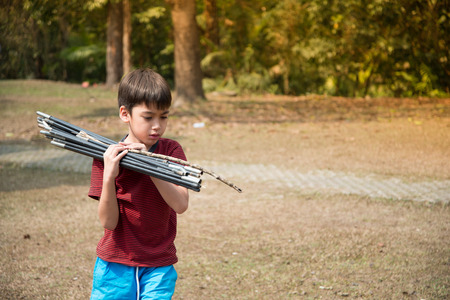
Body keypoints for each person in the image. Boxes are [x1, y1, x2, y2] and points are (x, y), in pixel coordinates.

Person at [88, 68, 189, 299]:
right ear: (125, 114)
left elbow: (181, 204)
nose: (157, 126)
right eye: (148, 117)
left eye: (164, 116)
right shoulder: (106, 156)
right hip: (115, 263)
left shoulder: (171, 151)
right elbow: (108, 222)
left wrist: (150, 166)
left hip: (158, 265)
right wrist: (109, 177)